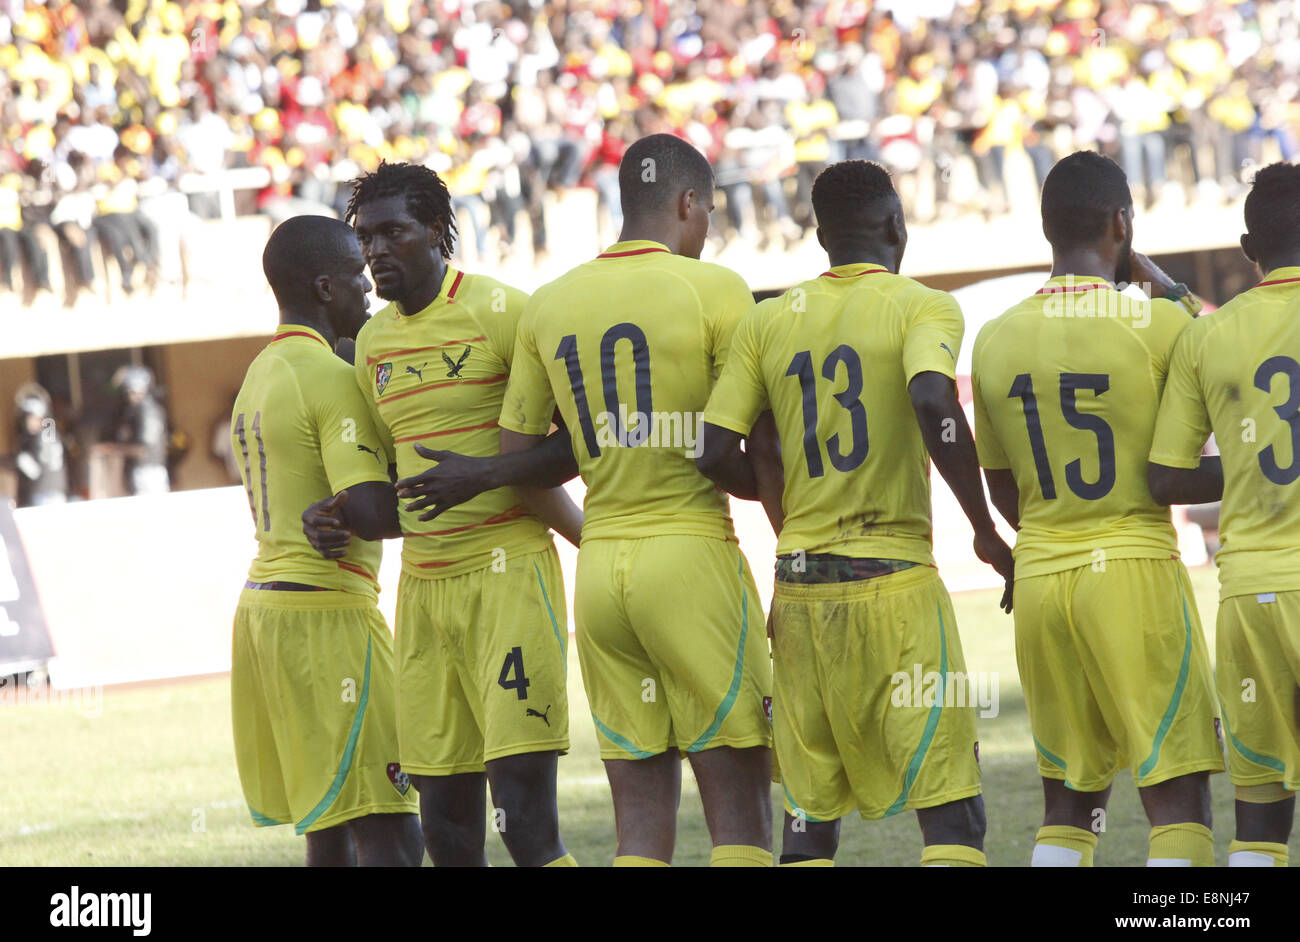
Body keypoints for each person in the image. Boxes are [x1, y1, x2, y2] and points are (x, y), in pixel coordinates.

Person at [396, 134, 779, 867]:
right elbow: (746, 444)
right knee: (739, 810)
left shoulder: (553, 302)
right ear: (688, 203)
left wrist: (590, 527)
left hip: (601, 574)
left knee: (638, 817)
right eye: (708, 212)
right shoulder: (718, 288)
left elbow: (520, 463)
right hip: (692, 553)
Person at [697, 160, 1012, 866]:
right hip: (893, 582)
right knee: (952, 812)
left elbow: (714, 450)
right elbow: (934, 403)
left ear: (820, 238)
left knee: (809, 818)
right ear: (896, 225)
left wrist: (798, 493)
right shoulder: (923, 305)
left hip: (802, 593)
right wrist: (985, 530)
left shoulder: (769, 318)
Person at [304, 161, 580, 868]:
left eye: (392, 233)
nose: (376, 252)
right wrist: (336, 514)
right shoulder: (369, 347)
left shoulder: (504, 312)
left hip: (509, 577)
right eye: (365, 238)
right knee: (449, 832)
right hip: (424, 593)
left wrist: (484, 474)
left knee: (523, 820)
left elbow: (578, 444)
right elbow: (400, 486)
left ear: (435, 230)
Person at [972, 151, 1223, 866]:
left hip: (1044, 581)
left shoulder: (993, 338)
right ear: (1123, 224)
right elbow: (1219, 344)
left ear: (1046, 229)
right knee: (1177, 791)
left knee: (1070, 801)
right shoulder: (1158, 326)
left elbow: (1004, 491)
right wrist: (1169, 287)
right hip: (1134, 573)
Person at [230, 214, 421, 866]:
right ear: (324, 288)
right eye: (356, 280)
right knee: (390, 826)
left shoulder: (258, 375)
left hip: (267, 610)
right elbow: (368, 508)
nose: (369, 293)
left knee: (331, 824)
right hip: (327, 613)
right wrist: (473, 484)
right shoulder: (329, 376)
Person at [1148, 161, 1300, 867]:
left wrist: (1244, 464)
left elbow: (1166, 477)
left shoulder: (1207, 335)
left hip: (1250, 597)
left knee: (1261, 819)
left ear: (1248, 247)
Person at [110, 366, 170, 496]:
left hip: (148, 472)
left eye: (130, 391)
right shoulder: (141, 410)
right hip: (149, 470)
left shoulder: (146, 410)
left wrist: (110, 449)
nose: (128, 396)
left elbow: (143, 450)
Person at [13, 389, 67, 507]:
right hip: (56, 490)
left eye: (29, 417)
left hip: (44, 494)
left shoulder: (39, 437)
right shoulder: (50, 432)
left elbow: (36, 470)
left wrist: (19, 460)